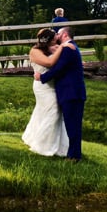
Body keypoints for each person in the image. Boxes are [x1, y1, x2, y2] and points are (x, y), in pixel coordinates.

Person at [38, 22, 87, 161]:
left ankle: (74, 156)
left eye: (59, 33)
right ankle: (73, 154)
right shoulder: (68, 47)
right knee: (72, 125)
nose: (57, 35)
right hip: (72, 92)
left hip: (71, 93)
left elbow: (58, 69)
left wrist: (41, 77)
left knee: (73, 126)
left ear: (65, 34)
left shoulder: (68, 48)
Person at [20, 25, 68, 157]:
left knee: (43, 112)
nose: (57, 40)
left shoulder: (52, 47)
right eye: (54, 39)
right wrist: (62, 48)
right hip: (42, 87)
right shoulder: (35, 51)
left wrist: (58, 48)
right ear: (48, 40)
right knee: (53, 110)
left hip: (53, 85)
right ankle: (43, 146)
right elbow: (49, 63)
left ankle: (53, 144)